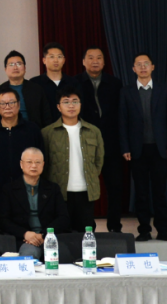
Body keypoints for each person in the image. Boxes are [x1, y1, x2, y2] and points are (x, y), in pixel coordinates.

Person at [119, 53, 167, 242]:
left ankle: (163, 230)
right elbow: (122, 122)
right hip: (137, 150)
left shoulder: (164, 90)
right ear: (133, 69)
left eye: (146, 64)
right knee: (141, 192)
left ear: (153, 67)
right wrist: (125, 147)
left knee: (160, 191)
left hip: (160, 148)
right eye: (139, 64)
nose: (143, 67)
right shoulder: (126, 92)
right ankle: (144, 230)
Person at [42, 87, 105, 234]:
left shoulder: (93, 131)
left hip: (86, 191)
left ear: (80, 105)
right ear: (58, 107)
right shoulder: (47, 133)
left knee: (86, 234)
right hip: (59, 192)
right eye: (66, 102)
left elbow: (99, 160)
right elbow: (45, 164)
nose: (71, 105)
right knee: (61, 234)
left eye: (75, 101)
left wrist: (91, 176)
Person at [75, 46, 124, 232]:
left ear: (104, 62)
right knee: (85, 188)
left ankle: (114, 227)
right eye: (90, 57)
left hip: (111, 143)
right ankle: (88, 227)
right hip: (85, 143)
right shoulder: (75, 83)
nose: (95, 61)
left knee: (115, 187)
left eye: (99, 58)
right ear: (83, 61)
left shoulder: (115, 83)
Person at [0, 88, 45, 221]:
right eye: (2, 103)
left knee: (28, 230)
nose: (7, 107)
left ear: (19, 105)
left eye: (11, 102)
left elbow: (41, 159)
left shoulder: (32, 130)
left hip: (28, 193)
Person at [0, 148, 70, 260]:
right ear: (21, 164)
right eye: (29, 162)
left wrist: (44, 235)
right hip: (24, 239)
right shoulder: (9, 189)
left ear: (43, 164)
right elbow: (3, 220)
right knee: (29, 255)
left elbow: (63, 218)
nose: (34, 166)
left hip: (49, 237)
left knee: (65, 255)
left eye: (37, 162)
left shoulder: (53, 188)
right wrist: (25, 234)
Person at [0, 51, 52, 127]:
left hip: (33, 131)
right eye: (11, 64)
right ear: (5, 69)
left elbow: (46, 116)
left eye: (19, 64)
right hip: (6, 131)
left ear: (25, 68)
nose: (15, 67)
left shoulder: (36, 89)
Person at [28, 42, 78, 121]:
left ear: (64, 60)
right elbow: (32, 111)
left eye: (59, 57)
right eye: (51, 57)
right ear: (44, 60)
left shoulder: (74, 83)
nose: (56, 60)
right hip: (43, 128)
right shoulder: (34, 83)